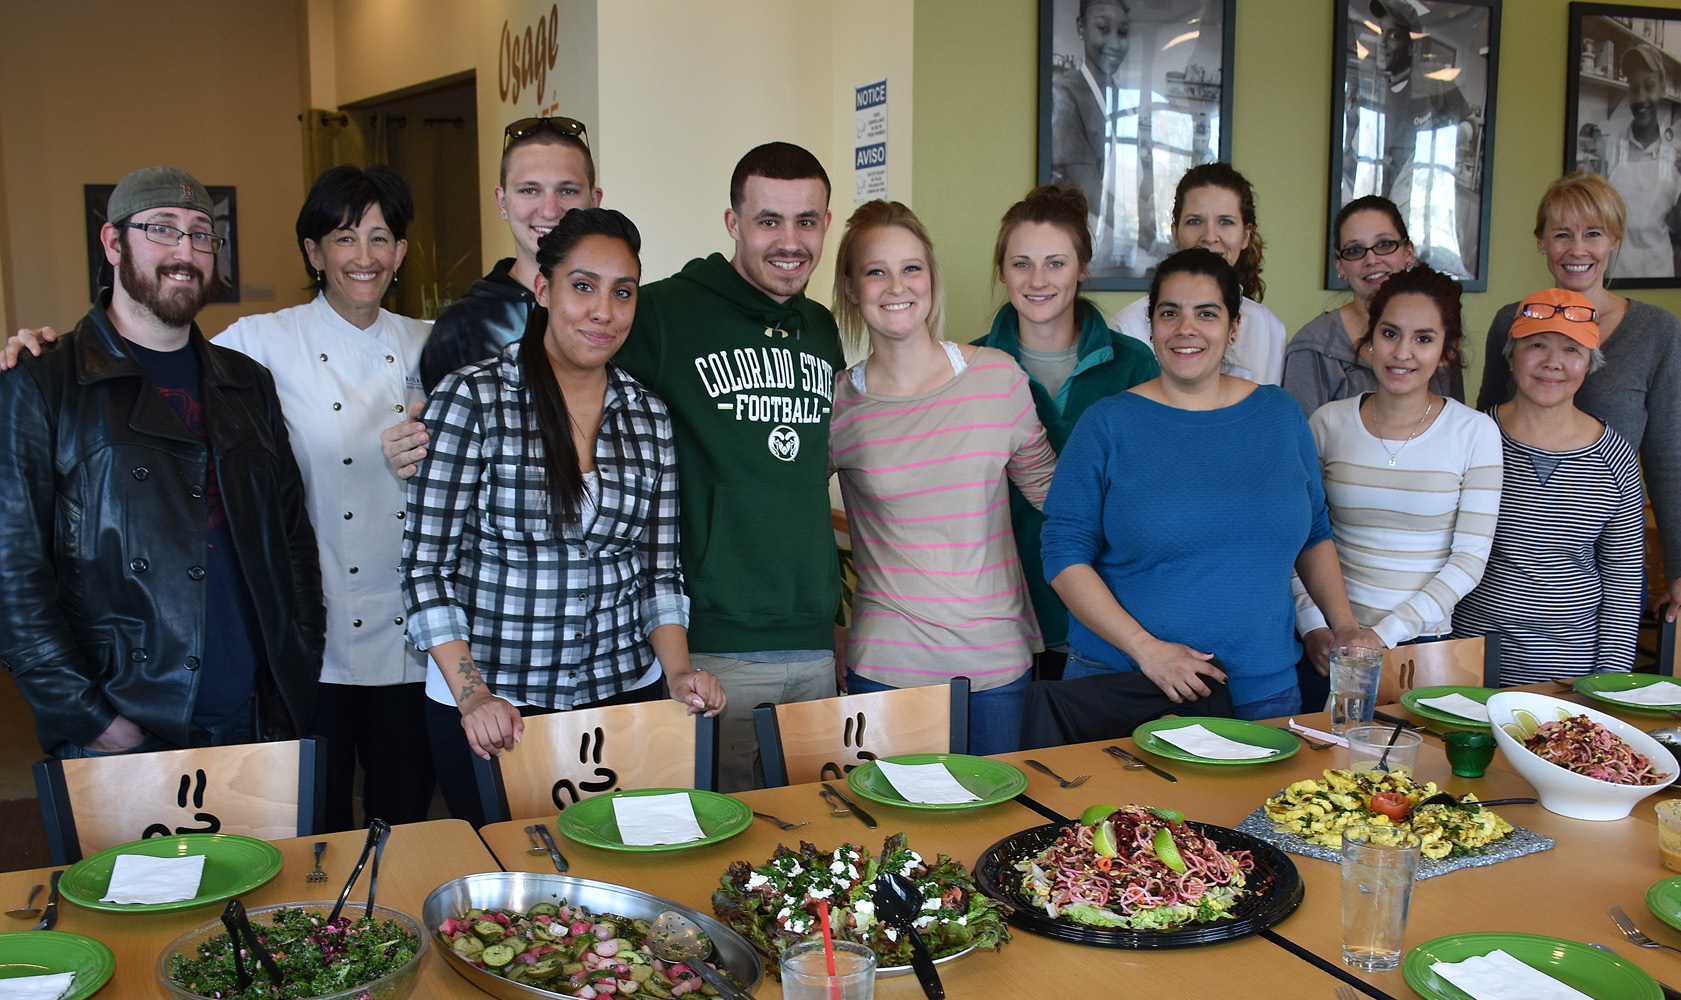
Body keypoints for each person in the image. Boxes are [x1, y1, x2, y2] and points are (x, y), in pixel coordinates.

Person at [401, 208, 725, 823]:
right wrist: (473, 697)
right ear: (544, 291)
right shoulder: (474, 399)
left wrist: (679, 673)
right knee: (507, 899)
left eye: (622, 293)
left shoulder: (647, 416)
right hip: (497, 709)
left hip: (619, 699)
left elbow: (659, 572)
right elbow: (425, 570)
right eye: (583, 287)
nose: (603, 311)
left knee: (615, 882)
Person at [0, 165, 324, 757]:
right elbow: (12, 574)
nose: (186, 251)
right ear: (112, 242)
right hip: (127, 722)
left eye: (203, 233)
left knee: (274, 856)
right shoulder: (46, 380)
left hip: (258, 714)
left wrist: (299, 653)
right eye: (162, 229)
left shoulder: (246, 383)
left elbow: (291, 541)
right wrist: (91, 718)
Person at [1040, 247, 1379, 720]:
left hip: (1262, 690)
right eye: (1169, 313)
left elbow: (1314, 531)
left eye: (1207, 313)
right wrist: (1147, 650)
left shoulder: (1280, 415)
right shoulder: (1107, 424)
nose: (1187, 329)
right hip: (1127, 685)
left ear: (1234, 326)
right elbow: (1062, 553)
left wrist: (1343, 625)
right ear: (1151, 326)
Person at [608, 142, 844, 792]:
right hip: (715, 639)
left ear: (826, 224)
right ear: (733, 223)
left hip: (812, 636)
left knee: (813, 837)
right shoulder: (665, 313)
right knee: (730, 844)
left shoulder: (821, 328)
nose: (789, 240)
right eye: (768, 220)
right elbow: (562, 356)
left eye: (807, 221)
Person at [208, 165, 434, 829]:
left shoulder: (431, 342)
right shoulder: (259, 342)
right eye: (343, 238)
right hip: (315, 641)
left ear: (400, 252)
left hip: (413, 641)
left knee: (405, 820)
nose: (363, 257)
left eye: (380, 237)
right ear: (313, 252)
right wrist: (46, 354)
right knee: (315, 825)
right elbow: (158, 372)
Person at [828, 200, 1059, 755]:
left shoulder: (999, 379)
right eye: (875, 271)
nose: (896, 285)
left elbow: (1056, 497)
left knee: (995, 831)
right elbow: (786, 510)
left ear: (931, 278)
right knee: (895, 838)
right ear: (853, 289)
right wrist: (821, 630)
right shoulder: (838, 400)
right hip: (887, 662)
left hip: (996, 662)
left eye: (911, 268)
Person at [1475, 171, 1681, 622]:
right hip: (1504, 559)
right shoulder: (1512, 321)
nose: (1577, 249)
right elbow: (1479, 433)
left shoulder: (1655, 331)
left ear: (1615, 241)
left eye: (1593, 234)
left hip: (1605, 557)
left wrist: (1680, 566)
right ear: (1541, 242)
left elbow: (1669, 456)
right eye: (1562, 234)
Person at [973, 185, 1158, 679]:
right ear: (1002, 270)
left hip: (1108, 619)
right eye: (1021, 263)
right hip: (995, 621)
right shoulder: (967, 367)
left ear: (1082, 268)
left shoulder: (1133, 365)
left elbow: (1152, 496)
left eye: (1055, 263)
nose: (1037, 280)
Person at [1291, 264, 1501, 693]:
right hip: (1324, 645)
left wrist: (1379, 637)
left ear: (1447, 350)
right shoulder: (1327, 422)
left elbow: (1468, 561)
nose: (1402, 352)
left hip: (1420, 650)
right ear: (1369, 340)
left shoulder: (1474, 432)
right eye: (1390, 333)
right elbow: (1296, 536)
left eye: (1423, 338)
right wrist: (1313, 623)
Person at [1453, 289, 1646, 683]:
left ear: (1590, 362)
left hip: (1569, 679)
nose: (1553, 363)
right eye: (1536, 345)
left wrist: (1604, 686)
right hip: (1465, 670)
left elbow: (1623, 588)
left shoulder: (1615, 457)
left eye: (1572, 350)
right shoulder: (1469, 437)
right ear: (1511, 355)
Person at [417, 116, 602, 392]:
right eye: (530, 190)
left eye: (568, 190)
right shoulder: (463, 329)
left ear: (594, 202)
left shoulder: (619, 315)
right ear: (502, 202)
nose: (550, 210)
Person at [1107, 163, 1286, 384]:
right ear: (1175, 233)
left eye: (1225, 222)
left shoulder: (1269, 329)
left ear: (1246, 236)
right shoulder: (1126, 328)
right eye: (1195, 221)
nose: (1210, 236)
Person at [1282, 195, 1462, 415]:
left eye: (1384, 244)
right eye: (1355, 250)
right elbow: (1299, 443)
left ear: (1408, 252)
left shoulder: (1440, 330)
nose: (1372, 260)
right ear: (1340, 266)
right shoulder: (1312, 347)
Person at [1049, 0, 1141, 271]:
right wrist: (1138, 233)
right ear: (1081, 27)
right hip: (1090, 240)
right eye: (1103, 28)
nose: (1114, 42)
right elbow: (1087, 187)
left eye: (1122, 33)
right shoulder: (1064, 94)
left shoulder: (1123, 99)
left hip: (1119, 241)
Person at [1604, 46, 1681, 279]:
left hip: (1660, 272)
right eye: (1634, 88)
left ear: (1661, 88)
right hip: (1616, 272)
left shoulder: (1676, 150)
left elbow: (1678, 226)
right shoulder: (1610, 147)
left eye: (1648, 87)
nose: (1641, 98)